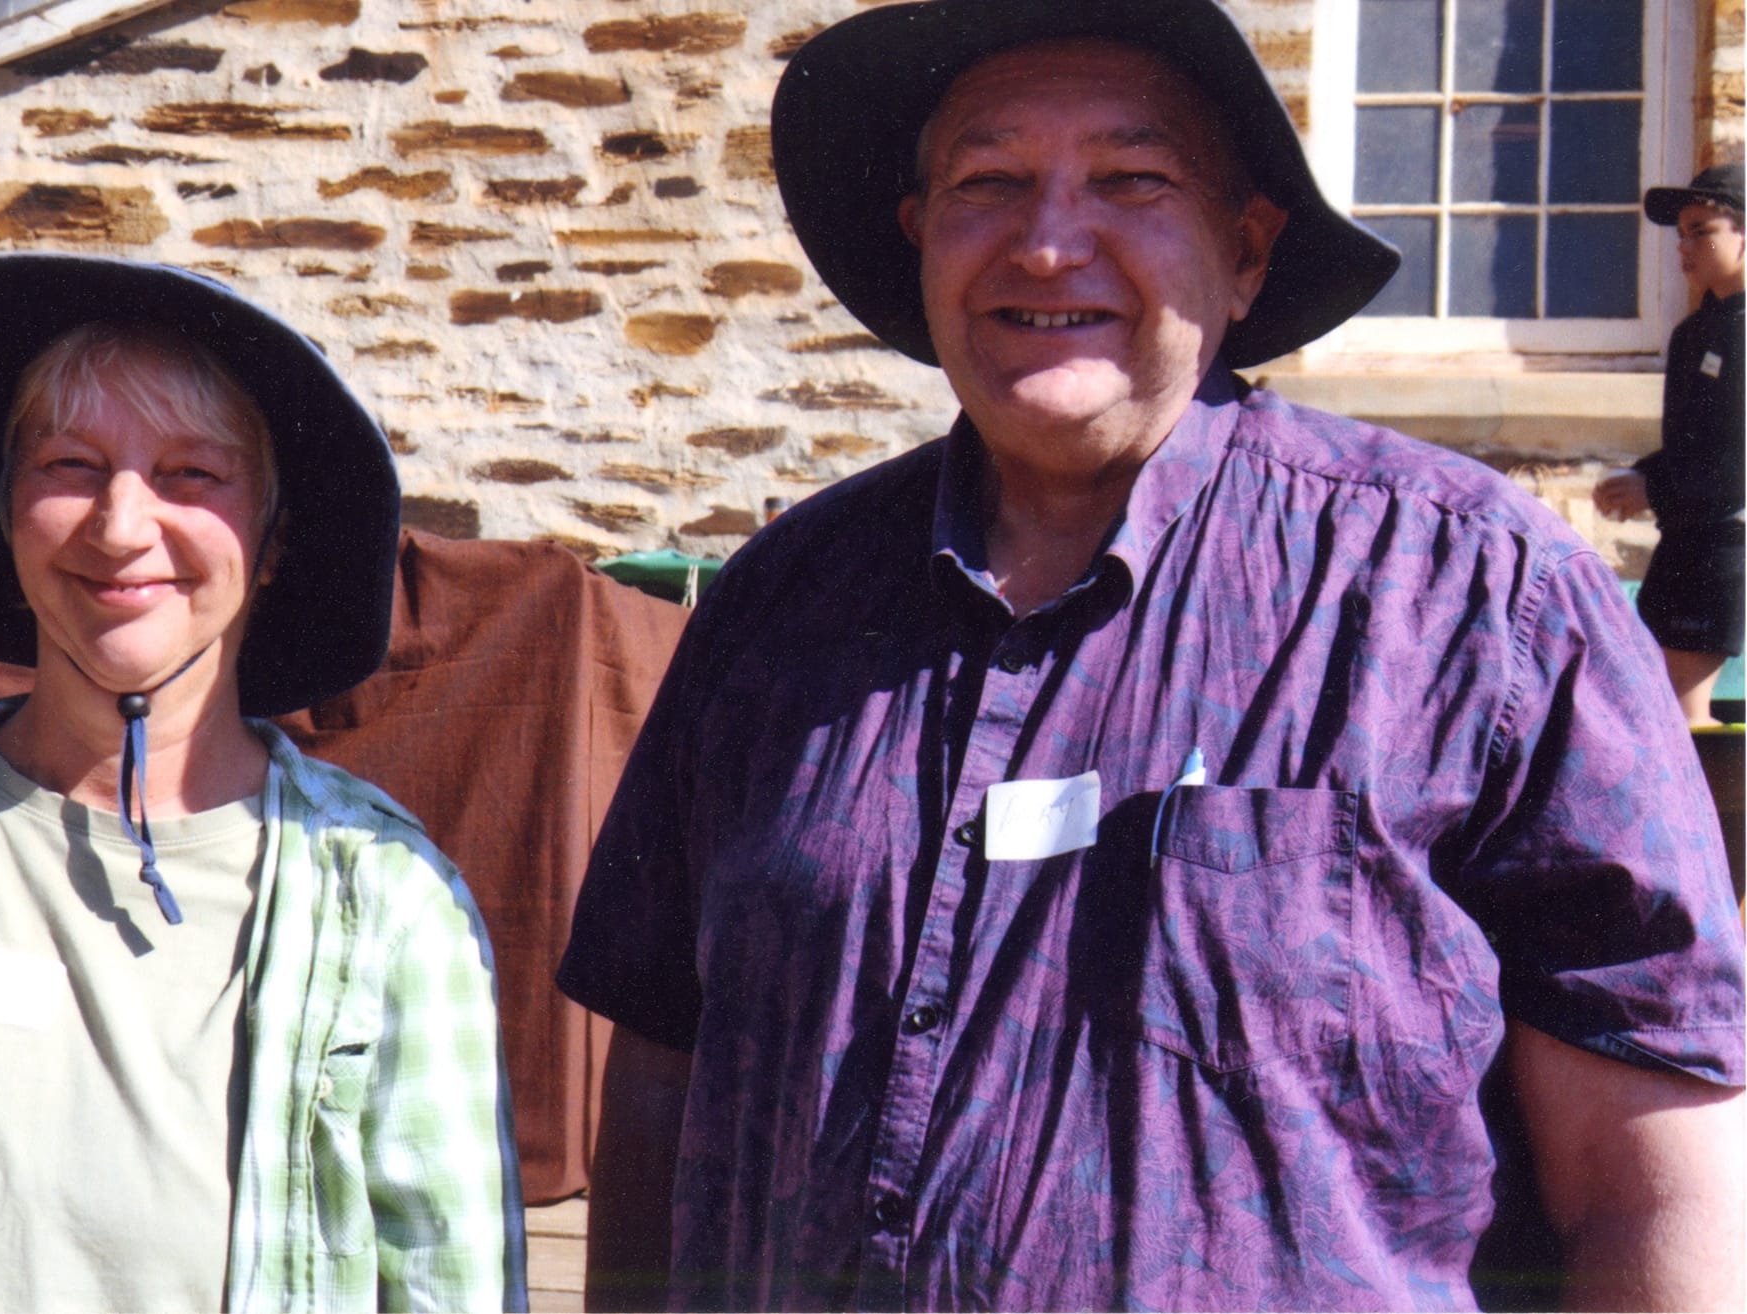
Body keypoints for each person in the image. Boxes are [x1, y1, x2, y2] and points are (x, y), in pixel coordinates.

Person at [556, 1, 1746, 1309]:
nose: (1050, 239)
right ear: (921, 241)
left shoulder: (1476, 598)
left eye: (1132, 178)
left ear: (1244, 255)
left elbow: (1660, 1179)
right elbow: (663, 1082)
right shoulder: (774, 610)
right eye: (988, 181)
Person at [0, 254, 526, 1313]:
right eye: (70, 465)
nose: (121, 528)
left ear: (269, 539)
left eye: (191, 476)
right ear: (3, 510)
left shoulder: (390, 908)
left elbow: (454, 1286)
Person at [1594, 162, 1745, 725]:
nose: (1685, 246)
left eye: (1702, 230)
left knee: (1685, 716)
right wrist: (1642, 478)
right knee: (1654, 708)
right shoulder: (1694, 334)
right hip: (1683, 545)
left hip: (1727, 546)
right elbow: (1695, 444)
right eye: (1681, 232)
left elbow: (1738, 465)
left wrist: (1651, 484)